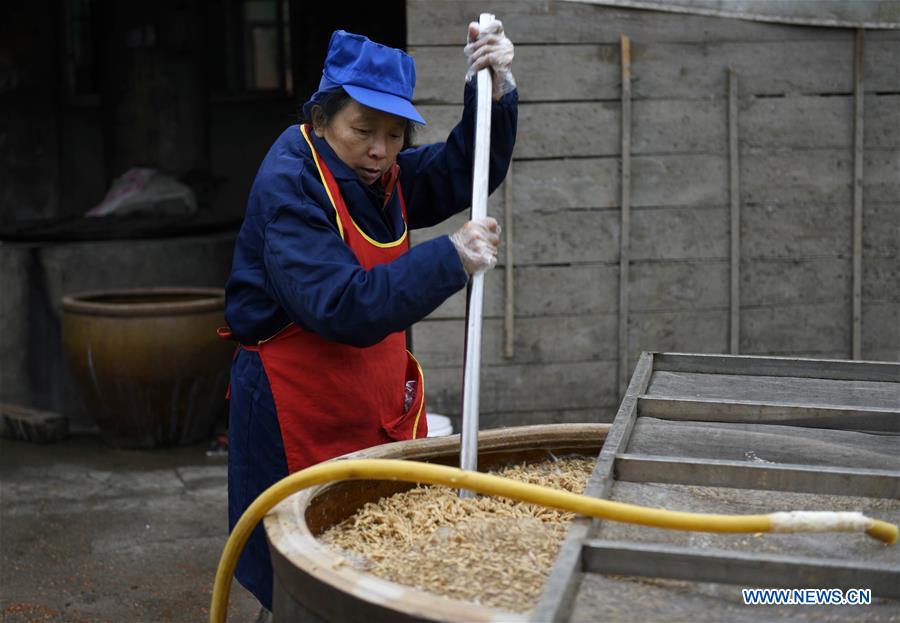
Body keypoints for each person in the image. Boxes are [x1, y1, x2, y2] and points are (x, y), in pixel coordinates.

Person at [222, 20, 517, 613]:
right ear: (322, 118)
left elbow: (464, 169)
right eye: (362, 129)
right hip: (294, 401)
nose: (380, 150)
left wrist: (494, 89)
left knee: (369, 549)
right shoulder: (292, 184)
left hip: (367, 396)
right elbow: (339, 304)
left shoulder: (383, 176)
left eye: (394, 134)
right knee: (300, 567)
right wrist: (450, 258)